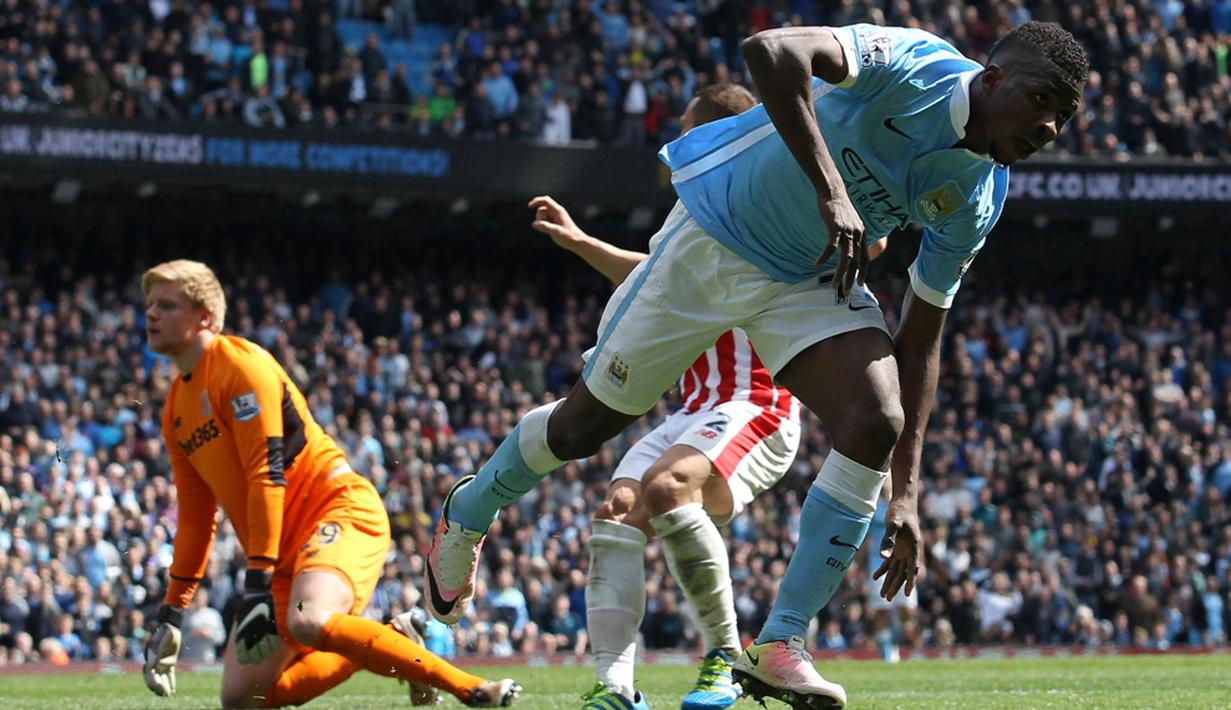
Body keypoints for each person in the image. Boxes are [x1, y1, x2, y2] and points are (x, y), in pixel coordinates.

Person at [428, 20, 1086, 709]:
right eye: (1039, 100)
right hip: (716, 235)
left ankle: (779, 643)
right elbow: (769, 52)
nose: (1047, 126)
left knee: (874, 419)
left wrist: (907, 492)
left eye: (1062, 117)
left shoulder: (978, 196)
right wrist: (832, 189)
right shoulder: (914, 64)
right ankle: (467, 510)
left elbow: (919, 338)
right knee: (578, 432)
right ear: (991, 78)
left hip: (805, 279)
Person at [531, 84, 802, 710]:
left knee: (663, 489)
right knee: (618, 509)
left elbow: (860, 244)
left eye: (686, 132)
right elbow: (649, 276)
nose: (674, 145)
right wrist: (578, 242)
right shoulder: (694, 211)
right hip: (697, 408)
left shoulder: (765, 200)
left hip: (756, 404)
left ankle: (725, 662)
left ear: (723, 136)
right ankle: (615, 687)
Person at [139, 260, 519, 708]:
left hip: (338, 511)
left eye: (166, 305)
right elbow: (197, 517)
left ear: (204, 316)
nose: (150, 315)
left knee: (309, 619)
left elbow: (267, 474)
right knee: (242, 700)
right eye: (149, 305)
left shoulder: (240, 367)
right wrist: (173, 611)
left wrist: (256, 583)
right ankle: (396, 636)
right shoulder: (176, 410)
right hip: (278, 554)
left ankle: (469, 687)